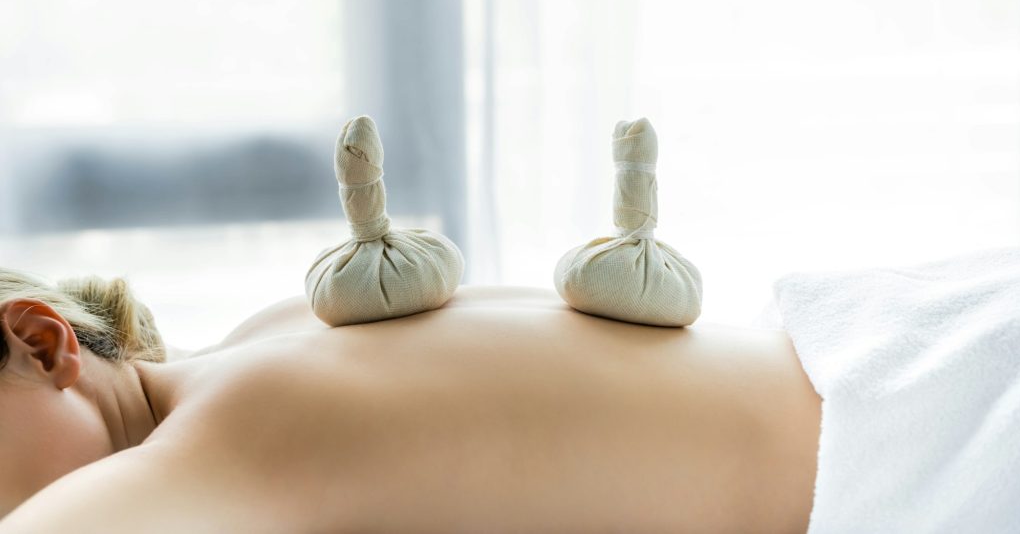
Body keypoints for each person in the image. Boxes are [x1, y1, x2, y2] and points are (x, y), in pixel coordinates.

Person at [0, 268, 821, 533]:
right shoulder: (268, 341)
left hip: (893, 450)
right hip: (840, 363)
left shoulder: (240, 423)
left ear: (42, 346)